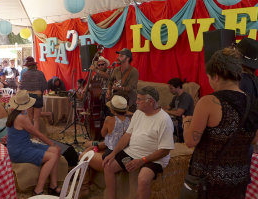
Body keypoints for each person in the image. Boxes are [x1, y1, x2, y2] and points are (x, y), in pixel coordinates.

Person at [182, 48, 258, 199]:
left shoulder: (209, 101)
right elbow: (254, 140)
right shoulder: (253, 104)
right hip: (237, 183)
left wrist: (187, 123)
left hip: (207, 184)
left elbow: (191, 141)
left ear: (215, 76)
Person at [103, 86, 174, 199]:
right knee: (108, 166)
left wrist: (142, 161)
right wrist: (113, 153)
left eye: (139, 99)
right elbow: (127, 135)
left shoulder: (164, 120)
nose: (136, 102)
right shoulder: (138, 113)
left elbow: (164, 151)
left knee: (143, 179)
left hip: (153, 157)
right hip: (133, 152)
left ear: (150, 101)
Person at [6, 90, 61, 196]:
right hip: (19, 151)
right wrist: (52, 144)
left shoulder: (14, 113)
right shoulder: (22, 118)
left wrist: (53, 146)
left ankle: (53, 185)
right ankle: (38, 190)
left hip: (20, 146)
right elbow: (38, 134)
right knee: (53, 155)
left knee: (55, 151)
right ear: (27, 104)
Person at [79, 96, 131, 197]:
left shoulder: (109, 119)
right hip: (121, 152)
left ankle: (84, 187)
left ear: (111, 109)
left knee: (82, 156)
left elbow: (103, 134)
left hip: (112, 155)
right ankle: (88, 185)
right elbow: (110, 141)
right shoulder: (130, 120)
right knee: (90, 148)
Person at [19, 56, 48, 131]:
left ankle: (30, 136)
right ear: (35, 65)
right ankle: (36, 137)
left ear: (27, 66)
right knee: (36, 119)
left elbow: (21, 87)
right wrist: (40, 91)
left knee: (30, 118)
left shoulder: (25, 74)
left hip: (28, 96)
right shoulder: (40, 73)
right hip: (38, 95)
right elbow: (45, 85)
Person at [107, 48, 139, 113]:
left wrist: (120, 88)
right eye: (118, 56)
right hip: (117, 99)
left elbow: (131, 88)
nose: (118, 58)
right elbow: (110, 81)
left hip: (129, 101)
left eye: (121, 56)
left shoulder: (134, 71)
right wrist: (109, 90)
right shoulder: (116, 69)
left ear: (128, 58)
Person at [164, 78, 194, 142]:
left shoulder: (186, 97)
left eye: (171, 88)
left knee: (164, 126)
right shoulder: (176, 97)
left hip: (186, 124)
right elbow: (168, 108)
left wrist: (165, 111)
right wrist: (159, 109)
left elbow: (179, 113)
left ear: (178, 87)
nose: (170, 90)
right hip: (178, 122)